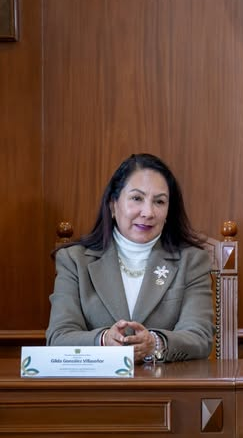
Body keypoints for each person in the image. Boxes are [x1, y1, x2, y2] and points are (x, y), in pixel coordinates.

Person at [46, 153, 215, 363]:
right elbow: (59, 337)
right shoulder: (74, 260)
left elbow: (199, 337)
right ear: (113, 204)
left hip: (166, 381)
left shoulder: (192, 261)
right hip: (97, 382)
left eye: (159, 201)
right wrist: (103, 341)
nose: (148, 212)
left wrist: (155, 343)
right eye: (137, 198)